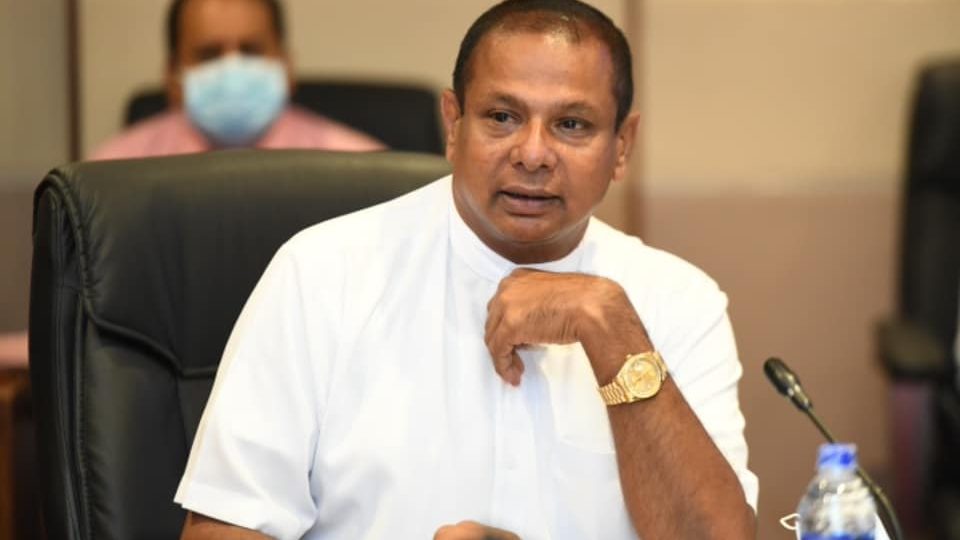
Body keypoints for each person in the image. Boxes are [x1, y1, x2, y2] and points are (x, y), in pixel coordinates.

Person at [176, 0, 759, 538]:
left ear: (622, 146)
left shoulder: (679, 300)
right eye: (502, 117)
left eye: (571, 125)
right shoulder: (322, 274)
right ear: (453, 125)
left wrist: (612, 330)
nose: (533, 154)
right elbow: (220, 531)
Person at [91, 0, 383, 160]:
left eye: (251, 51)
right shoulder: (107, 173)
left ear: (287, 65)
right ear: (172, 75)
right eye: (209, 55)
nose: (233, 69)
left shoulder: (362, 168)